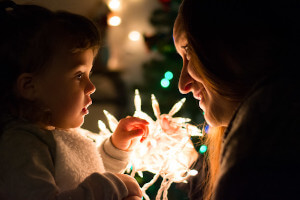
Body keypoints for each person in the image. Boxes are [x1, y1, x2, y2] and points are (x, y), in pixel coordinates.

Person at [0, 1, 149, 200]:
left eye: (89, 74)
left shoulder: (58, 132)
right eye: (79, 75)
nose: (92, 87)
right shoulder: (22, 145)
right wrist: (116, 185)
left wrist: (115, 147)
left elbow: (82, 176)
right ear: (30, 87)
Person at [173, 0, 300, 199]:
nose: (183, 85)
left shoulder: (271, 154)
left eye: (189, 51)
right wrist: (188, 164)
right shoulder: (269, 140)